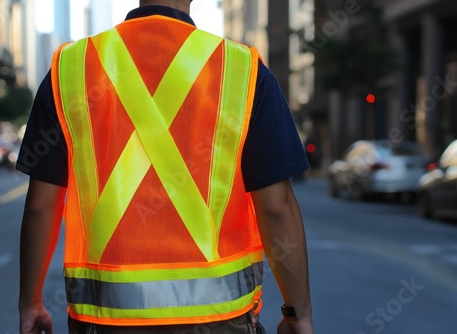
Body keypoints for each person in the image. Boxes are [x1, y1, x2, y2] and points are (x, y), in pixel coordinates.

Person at [17, 0, 314, 333]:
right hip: (218, 321)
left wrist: (30, 303)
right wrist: (296, 313)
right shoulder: (244, 70)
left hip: (104, 322)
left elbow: (41, 207)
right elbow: (277, 209)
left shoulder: (70, 68)